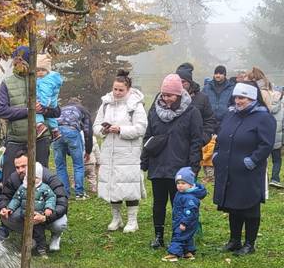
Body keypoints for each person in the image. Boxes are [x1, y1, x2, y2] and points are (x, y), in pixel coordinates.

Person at [213, 81, 276, 256]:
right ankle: (234, 240)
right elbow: (220, 136)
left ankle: (249, 243)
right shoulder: (231, 115)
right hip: (229, 170)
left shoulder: (264, 118)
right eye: (236, 97)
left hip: (249, 172)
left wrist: (251, 161)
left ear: (252, 98)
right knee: (233, 205)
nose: (238, 101)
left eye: (243, 97)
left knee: (250, 207)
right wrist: (217, 155)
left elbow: (266, 145)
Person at [141, 73, 203, 249]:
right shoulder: (155, 111)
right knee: (158, 203)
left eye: (170, 95)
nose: (166, 99)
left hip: (180, 168)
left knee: (181, 205)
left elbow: (195, 141)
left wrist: (193, 167)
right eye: (164, 95)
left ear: (179, 94)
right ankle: (158, 236)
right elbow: (148, 136)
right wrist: (144, 160)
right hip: (158, 164)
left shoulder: (192, 113)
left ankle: (180, 237)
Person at [93, 70, 147, 232]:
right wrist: (104, 130)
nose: (117, 92)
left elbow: (141, 128)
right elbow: (96, 126)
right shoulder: (106, 103)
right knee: (113, 185)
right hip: (109, 151)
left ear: (128, 89)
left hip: (129, 153)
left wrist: (120, 130)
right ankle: (116, 218)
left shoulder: (135, 105)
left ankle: (133, 220)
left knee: (129, 185)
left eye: (120, 90)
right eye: (115, 89)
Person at [0, 46, 61, 181]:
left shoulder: (41, 80)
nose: (18, 65)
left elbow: (56, 111)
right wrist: (28, 111)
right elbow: (2, 111)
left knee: (39, 180)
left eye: (22, 61)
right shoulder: (7, 83)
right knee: (10, 180)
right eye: (16, 62)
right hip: (16, 139)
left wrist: (43, 110)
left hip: (40, 139)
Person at [0, 151, 68, 251]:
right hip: (27, 212)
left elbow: (62, 202)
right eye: (17, 167)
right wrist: (4, 208)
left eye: (23, 166)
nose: (20, 170)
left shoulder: (49, 178)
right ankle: (31, 235)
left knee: (60, 224)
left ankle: (56, 235)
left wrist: (45, 217)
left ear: (32, 163)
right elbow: (5, 197)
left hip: (47, 213)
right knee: (6, 218)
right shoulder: (14, 178)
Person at [4, 162, 56, 257]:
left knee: (39, 234)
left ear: (40, 178)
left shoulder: (44, 188)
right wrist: (10, 208)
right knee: (26, 234)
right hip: (25, 217)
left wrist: (49, 208)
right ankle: (24, 250)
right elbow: (16, 198)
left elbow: (51, 198)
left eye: (35, 178)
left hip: (37, 217)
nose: (31, 180)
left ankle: (42, 250)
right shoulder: (23, 187)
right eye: (29, 177)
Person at [161, 167, 207, 262]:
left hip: (184, 222)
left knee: (178, 236)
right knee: (187, 237)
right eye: (178, 183)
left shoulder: (190, 198)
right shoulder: (181, 193)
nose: (180, 185)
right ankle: (188, 253)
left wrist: (184, 223)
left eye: (183, 183)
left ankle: (174, 254)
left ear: (190, 185)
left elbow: (190, 212)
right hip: (181, 220)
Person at [55, 97, 93, 200]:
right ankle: (79, 193)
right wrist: (88, 151)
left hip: (56, 132)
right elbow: (88, 132)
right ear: (79, 104)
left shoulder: (62, 109)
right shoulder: (83, 110)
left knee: (60, 166)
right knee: (78, 165)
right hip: (72, 131)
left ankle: (64, 194)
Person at [175, 63, 217, 145]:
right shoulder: (169, 97)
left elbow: (209, 121)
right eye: (178, 81)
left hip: (193, 145)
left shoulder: (202, 98)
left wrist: (201, 140)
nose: (180, 84)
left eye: (183, 82)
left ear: (189, 81)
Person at [35, 53, 63, 140]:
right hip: (53, 104)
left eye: (42, 70)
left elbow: (45, 93)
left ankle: (40, 125)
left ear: (47, 70)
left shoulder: (45, 81)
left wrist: (43, 105)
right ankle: (55, 130)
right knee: (51, 117)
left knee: (36, 112)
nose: (40, 72)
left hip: (45, 102)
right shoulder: (52, 78)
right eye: (38, 70)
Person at [202, 65, 234, 129]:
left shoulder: (231, 88)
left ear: (225, 75)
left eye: (220, 73)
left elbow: (234, 104)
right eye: (216, 73)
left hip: (225, 122)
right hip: (208, 121)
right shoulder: (207, 87)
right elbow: (202, 101)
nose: (218, 75)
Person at [270, 89, 284, 188]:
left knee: (262, 160)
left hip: (264, 138)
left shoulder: (265, 107)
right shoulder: (282, 109)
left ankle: (262, 178)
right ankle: (275, 178)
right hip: (277, 139)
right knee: (277, 160)